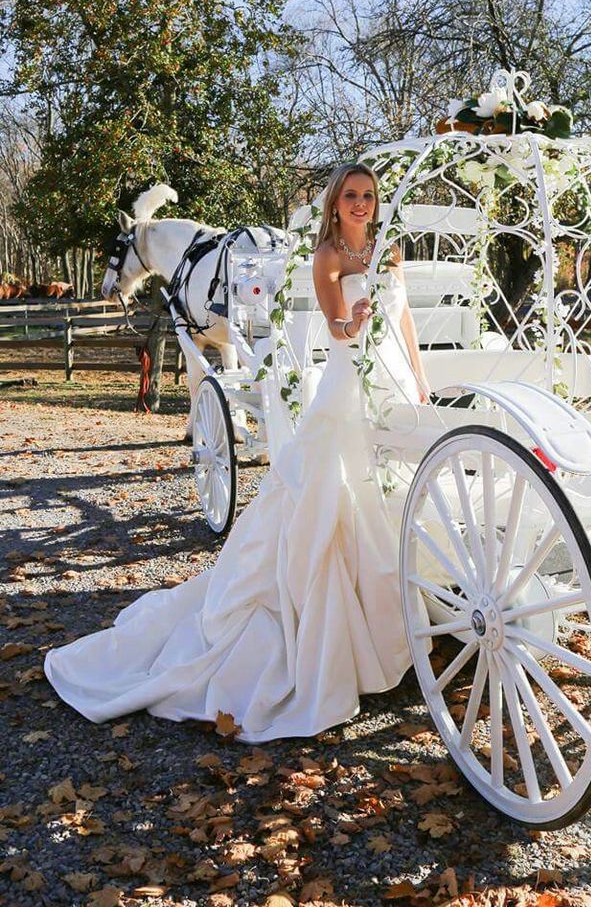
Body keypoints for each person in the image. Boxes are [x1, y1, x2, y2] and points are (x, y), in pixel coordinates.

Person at [44, 163, 430, 742]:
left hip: (395, 379)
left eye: (368, 196)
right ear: (335, 203)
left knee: (395, 489)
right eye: (351, 195)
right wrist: (353, 320)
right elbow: (336, 326)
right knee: (331, 499)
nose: (361, 204)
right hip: (350, 381)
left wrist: (421, 384)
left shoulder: (388, 252)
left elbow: (406, 322)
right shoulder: (327, 257)